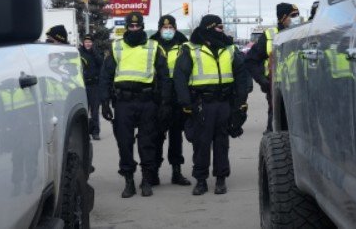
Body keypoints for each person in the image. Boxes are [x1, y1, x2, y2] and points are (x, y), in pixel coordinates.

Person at [173, 14, 249, 195]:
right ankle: (201, 180)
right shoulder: (190, 49)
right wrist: (186, 103)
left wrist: (241, 102)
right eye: (218, 27)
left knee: (222, 142)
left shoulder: (229, 48)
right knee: (201, 143)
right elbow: (180, 77)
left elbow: (241, 76)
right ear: (208, 28)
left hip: (224, 102)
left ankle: (221, 179)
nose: (222, 30)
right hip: (202, 103)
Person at [99, 11, 172, 198]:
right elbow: (105, 76)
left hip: (147, 101)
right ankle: (129, 181)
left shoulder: (153, 47)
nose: (134, 28)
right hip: (123, 102)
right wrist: (104, 102)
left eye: (137, 25)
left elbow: (164, 77)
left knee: (147, 143)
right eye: (130, 26)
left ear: (142, 26)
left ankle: (146, 180)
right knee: (124, 143)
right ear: (126, 27)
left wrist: (165, 102)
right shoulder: (117, 47)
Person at [149, 15, 191, 186]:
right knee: (156, 135)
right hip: (157, 95)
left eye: (170, 27)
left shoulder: (183, 44)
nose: (167, 30)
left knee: (176, 135)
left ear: (175, 28)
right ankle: (154, 171)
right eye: (164, 28)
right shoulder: (151, 44)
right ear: (159, 28)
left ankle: (176, 171)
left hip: (177, 94)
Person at [245, 3, 299, 133]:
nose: (296, 19)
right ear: (283, 17)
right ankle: (272, 142)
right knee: (276, 123)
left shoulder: (299, 34)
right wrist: (263, 81)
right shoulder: (269, 36)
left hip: (297, 87)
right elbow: (251, 60)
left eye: (297, 15)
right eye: (292, 16)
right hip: (276, 88)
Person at [79, 34, 103, 140]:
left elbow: (101, 63)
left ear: (92, 43)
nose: (88, 44)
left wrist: (94, 53)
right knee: (84, 110)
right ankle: (84, 133)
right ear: (83, 43)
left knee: (94, 111)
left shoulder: (97, 52)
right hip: (83, 86)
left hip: (94, 86)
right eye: (86, 42)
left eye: (89, 42)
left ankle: (95, 132)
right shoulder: (79, 53)